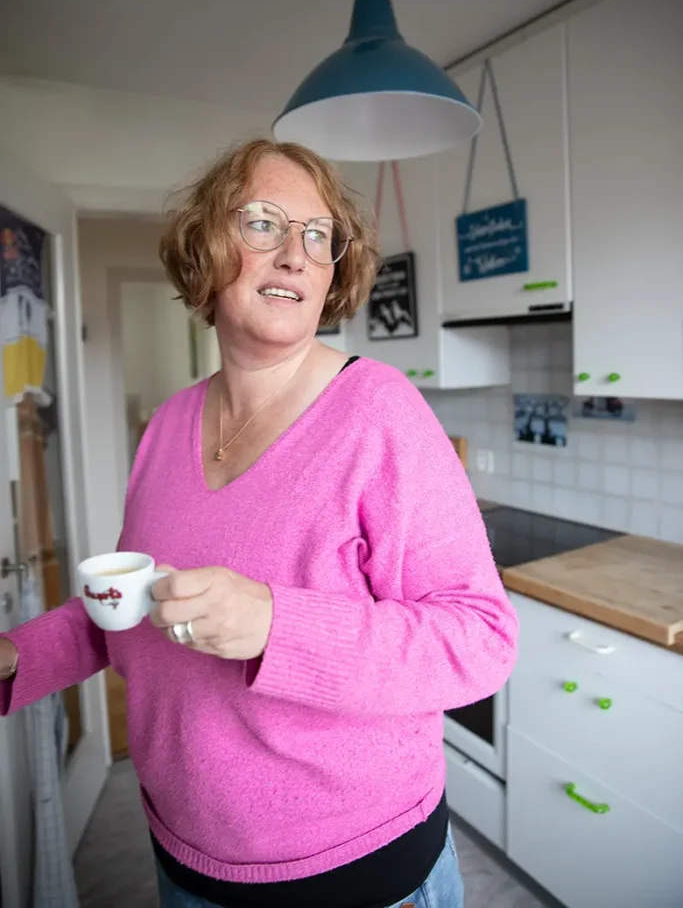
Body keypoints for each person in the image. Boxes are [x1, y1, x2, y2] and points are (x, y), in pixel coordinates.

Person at [0, 138, 518, 908]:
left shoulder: (379, 414)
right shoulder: (166, 427)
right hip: (184, 855)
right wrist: (15, 656)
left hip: (351, 877)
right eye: (263, 224)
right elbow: (132, 610)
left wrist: (278, 626)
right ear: (205, 247)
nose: (297, 255)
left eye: (318, 235)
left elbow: (481, 640)